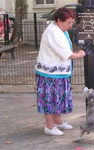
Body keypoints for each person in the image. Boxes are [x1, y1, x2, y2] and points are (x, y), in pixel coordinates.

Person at [34, 7, 86, 136]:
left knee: (58, 98)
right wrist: (79, 54)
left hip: (58, 72)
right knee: (49, 99)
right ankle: (49, 127)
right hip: (49, 74)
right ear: (59, 20)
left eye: (72, 22)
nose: (71, 25)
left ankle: (57, 122)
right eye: (68, 22)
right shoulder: (53, 32)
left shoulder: (60, 29)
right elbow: (65, 53)